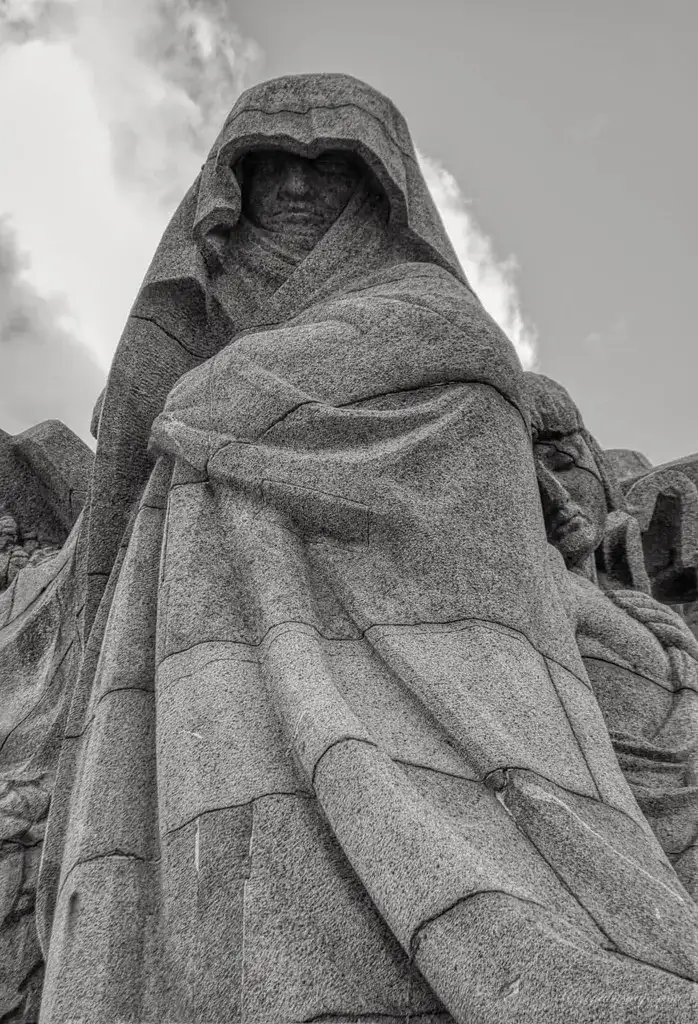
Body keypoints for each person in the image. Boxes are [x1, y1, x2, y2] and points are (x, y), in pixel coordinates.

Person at [8, 74, 697, 1023]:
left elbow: (220, 407)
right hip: (235, 706)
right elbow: (186, 419)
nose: (296, 186)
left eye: (329, 162)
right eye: (271, 164)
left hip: (460, 691)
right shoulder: (240, 353)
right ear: (231, 187)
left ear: (380, 186)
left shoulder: (430, 311)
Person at [526, 370, 698, 900]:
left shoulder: (636, 605)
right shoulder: (534, 595)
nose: (551, 494)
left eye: (561, 462)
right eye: (519, 476)